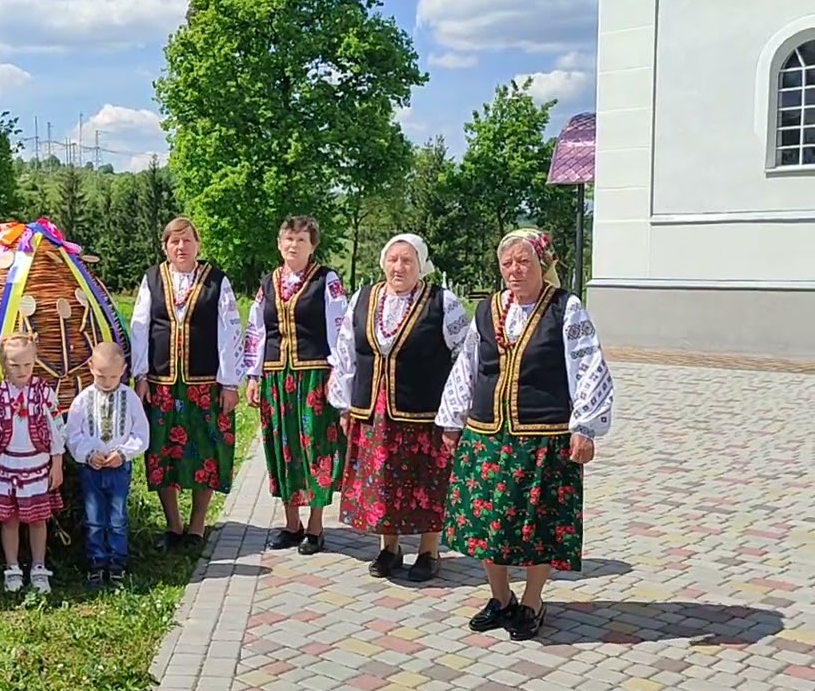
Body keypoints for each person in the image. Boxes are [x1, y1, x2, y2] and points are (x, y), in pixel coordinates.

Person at [436, 228, 614, 640]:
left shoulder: (565, 309)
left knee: (540, 524)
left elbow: (589, 366)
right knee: (486, 523)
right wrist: (452, 418)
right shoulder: (488, 310)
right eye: (507, 263)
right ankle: (500, 597)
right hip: (486, 433)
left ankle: (533, 600)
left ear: (542, 265)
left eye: (524, 262)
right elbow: (468, 365)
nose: (515, 271)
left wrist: (585, 427)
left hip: (544, 436)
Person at [329, 234, 468, 581]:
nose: (399, 267)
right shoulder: (364, 298)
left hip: (423, 412)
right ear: (383, 263)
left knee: (427, 481)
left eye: (407, 261)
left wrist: (455, 408)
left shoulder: (442, 302)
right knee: (383, 482)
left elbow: (464, 356)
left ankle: (428, 551)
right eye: (393, 260)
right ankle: (388, 548)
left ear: (421, 266)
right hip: (373, 410)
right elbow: (347, 351)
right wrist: (344, 404)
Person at [130, 217, 244, 551]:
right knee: (163, 453)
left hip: (206, 383)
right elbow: (140, 328)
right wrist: (140, 376)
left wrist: (230, 383)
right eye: (174, 242)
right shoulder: (152, 279)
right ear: (165, 246)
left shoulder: (216, 281)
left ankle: (196, 527)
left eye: (187, 241)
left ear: (198, 244)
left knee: (205, 452)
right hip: (162, 382)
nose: (181, 247)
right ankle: (173, 526)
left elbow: (229, 332)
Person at [244, 216, 347, 555]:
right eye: (288, 239)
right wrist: (254, 375)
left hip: (315, 373)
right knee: (282, 446)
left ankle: (316, 527)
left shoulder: (326, 280)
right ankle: (291, 524)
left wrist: (338, 373)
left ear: (312, 245)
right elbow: (257, 331)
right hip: (276, 376)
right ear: (279, 244)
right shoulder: (268, 282)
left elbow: (340, 327)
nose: (293, 245)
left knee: (315, 446)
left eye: (301, 240)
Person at [0, 334, 66, 594]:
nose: (22, 371)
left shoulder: (44, 393)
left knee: (38, 519)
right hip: (6, 468)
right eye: (15, 365)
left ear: (34, 362)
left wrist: (57, 465)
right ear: (5, 365)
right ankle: (12, 567)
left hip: (37, 467)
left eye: (27, 364)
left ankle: (39, 567)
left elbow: (56, 432)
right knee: (10, 520)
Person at [65, 343, 149, 587]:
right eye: (102, 375)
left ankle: (117, 562)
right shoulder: (82, 400)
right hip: (92, 469)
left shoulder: (130, 398)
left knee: (117, 516)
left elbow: (141, 433)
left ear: (123, 370)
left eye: (114, 376)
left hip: (119, 469)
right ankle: (96, 561)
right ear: (91, 368)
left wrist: (123, 454)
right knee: (93, 517)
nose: (108, 381)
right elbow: (73, 434)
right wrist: (88, 454)